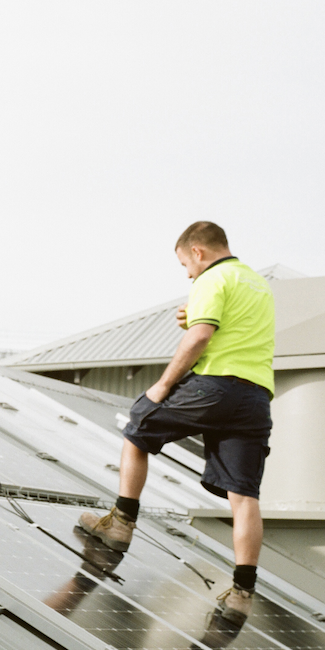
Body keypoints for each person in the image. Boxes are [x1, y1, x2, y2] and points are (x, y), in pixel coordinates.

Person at [78, 221, 276, 621]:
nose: (187, 273)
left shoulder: (211, 277)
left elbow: (201, 336)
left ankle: (120, 524)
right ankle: (241, 593)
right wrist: (197, 315)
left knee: (138, 425)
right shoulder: (256, 283)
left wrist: (163, 385)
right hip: (256, 397)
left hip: (215, 385)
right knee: (244, 496)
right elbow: (233, 326)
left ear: (198, 252)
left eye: (186, 264)